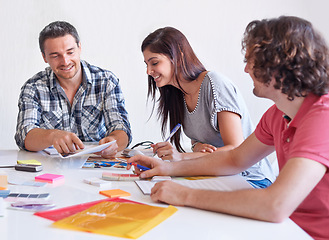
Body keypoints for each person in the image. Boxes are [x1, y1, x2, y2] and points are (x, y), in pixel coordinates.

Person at [129, 16, 329, 240]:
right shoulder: (276, 115)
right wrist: (167, 168)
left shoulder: (322, 118)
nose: (245, 69)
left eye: (251, 61)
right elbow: (234, 159)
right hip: (286, 227)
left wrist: (185, 194)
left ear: (277, 64)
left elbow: (275, 205)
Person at [141, 27, 275, 187]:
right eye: (146, 64)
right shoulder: (178, 95)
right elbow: (198, 138)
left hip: (249, 179)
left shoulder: (214, 84)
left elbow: (235, 148)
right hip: (214, 174)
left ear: (178, 57)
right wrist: (198, 147)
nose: (149, 71)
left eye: (154, 63)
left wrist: (181, 157)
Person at [15, 21, 132, 158]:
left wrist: (113, 142)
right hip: (52, 166)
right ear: (44, 57)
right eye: (55, 55)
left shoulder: (106, 81)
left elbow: (122, 129)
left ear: (79, 48)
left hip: (98, 163)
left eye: (70, 52)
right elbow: (24, 136)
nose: (65, 61)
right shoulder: (33, 87)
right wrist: (53, 135)